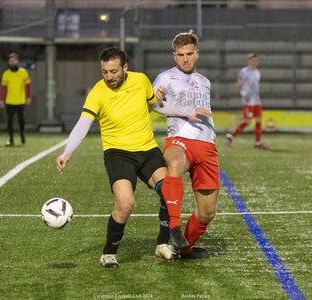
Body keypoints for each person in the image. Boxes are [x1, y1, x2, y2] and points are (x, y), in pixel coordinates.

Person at [56, 47, 207, 268]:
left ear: (125, 67)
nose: (109, 77)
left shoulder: (141, 81)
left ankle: (162, 244)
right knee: (125, 204)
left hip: (147, 150)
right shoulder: (98, 92)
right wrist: (67, 151)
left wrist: (184, 111)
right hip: (118, 154)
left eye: (114, 71)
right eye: (105, 72)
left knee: (169, 190)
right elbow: (83, 124)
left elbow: (154, 105)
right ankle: (108, 254)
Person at [152, 31, 220, 259]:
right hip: (179, 139)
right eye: (180, 54)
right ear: (174, 56)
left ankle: (181, 248)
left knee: (207, 212)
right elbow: (155, 105)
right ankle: (174, 226)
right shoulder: (165, 78)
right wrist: (155, 96)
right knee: (174, 162)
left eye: (189, 54)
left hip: (207, 146)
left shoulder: (204, 81)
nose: (185, 58)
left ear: (197, 54)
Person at [226, 53, 269, 150]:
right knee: (247, 122)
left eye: (256, 60)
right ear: (249, 61)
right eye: (253, 60)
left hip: (256, 100)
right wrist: (244, 94)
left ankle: (257, 143)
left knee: (258, 120)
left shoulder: (257, 72)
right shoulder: (244, 71)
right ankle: (231, 136)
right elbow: (239, 85)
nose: (254, 62)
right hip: (248, 101)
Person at [0, 52, 31, 146]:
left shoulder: (23, 72)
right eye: (10, 61)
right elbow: (3, 88)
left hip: (20, 101)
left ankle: (22, 135)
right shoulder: (6, 74)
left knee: (21, 120)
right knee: (9, 121)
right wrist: (1, 100)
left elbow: (28, 85)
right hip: (10, 101)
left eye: (13, 60)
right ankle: (11, 139)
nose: (12, 62)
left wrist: (28, 97)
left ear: (17, 61)